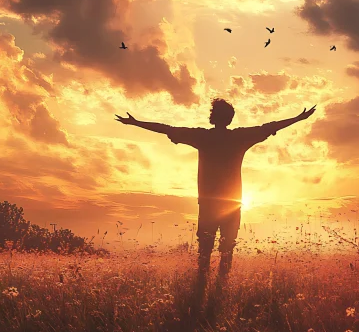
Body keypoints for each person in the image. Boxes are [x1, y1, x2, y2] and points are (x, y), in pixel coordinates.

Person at [115, 99, 316, 278]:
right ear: (230, 118)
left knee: (205, 249)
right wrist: (299, 118)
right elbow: (271, 126)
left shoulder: (203, 137)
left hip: (208, 204)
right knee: (227, 248)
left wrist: (135, 123)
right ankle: (221, 286)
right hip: (232, 204)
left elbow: (167, 128)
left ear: (212, 117)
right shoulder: (240, 137)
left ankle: (202, 285)